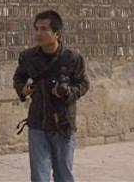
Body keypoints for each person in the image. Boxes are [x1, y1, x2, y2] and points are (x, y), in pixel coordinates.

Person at [13, 10, 89, 182]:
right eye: (37, 29)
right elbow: (18, 77)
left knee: (63, 176)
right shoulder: (28, 57)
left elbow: (83, 84)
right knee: (39, 176)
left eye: (44, 29)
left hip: (63, 124)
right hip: (37, 122)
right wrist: (23, 90)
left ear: (57, 33)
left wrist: (67, 92)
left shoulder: (72, 59)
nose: (38, 33)